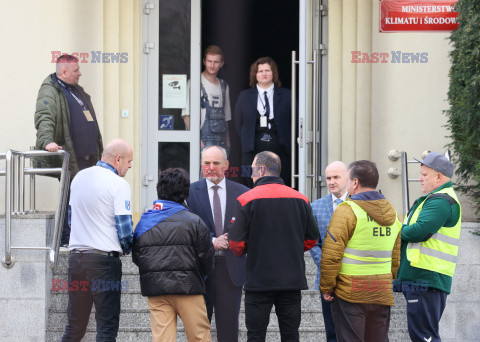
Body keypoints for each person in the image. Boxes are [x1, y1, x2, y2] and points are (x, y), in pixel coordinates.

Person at [228, 151, 319, 341]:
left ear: (261, 170)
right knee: (290, 334)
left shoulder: (246, 199)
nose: (251, 175)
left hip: (258, 281)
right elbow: (312, 238)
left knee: (256, 335)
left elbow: (236, 244)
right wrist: (291, 248)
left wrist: (251, 249)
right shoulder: (301, 199)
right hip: (291, 280)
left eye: (252, 170)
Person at [319, 160, 401, 342]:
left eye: (348, 180)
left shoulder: (346, 211)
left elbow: (331, 256)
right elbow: (396, 258)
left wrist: (327, 287)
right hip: (381, 292)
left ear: (355, 183)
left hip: (351, 293)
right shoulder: (392, 213)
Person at [62, 138, 134, 341]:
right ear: (118, 159)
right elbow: (125, 229)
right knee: (106, 327)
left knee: (75, 326)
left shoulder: (78, 178)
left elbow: (70, 219)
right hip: (104, 263)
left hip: (76, 260)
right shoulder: (119, 184)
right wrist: (128, 248)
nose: (130, 166)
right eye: (129, 161)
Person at [132, 168, 214, 342]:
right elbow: (206, 259)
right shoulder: (195, 221)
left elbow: (137, 257)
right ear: (186, 192)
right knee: (199, 337)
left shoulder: (144, 222)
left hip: (156, 290)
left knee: (162, 339)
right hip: (189, 288)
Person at [34, 54, 103, 246]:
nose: (80, 73)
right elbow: (44, 116)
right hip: (72, 157)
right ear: (63, 71)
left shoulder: (75, 90)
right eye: (76, 70)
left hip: (89, 157)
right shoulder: (50, 91)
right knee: (70, 196)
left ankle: (84, 238)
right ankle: (65, 240)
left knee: (84, 198)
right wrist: (46, 141)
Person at [394, 152, 461, 342]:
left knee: (424, 337)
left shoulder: (441, 200)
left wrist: (395, 232)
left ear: (439, 177)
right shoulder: (435, 198)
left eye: (424, 174)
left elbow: (419, 232)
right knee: (422, 335)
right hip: (423, 277)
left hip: (427, 278)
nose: (419, 178)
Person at [186, 145, 249, 342]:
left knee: (229, 331)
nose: (211, 167)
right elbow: (185, 229)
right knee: (198, 331)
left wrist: (233, 239)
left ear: (226, 165)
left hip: (231, 271)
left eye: (215, 163)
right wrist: (212, 241)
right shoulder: (188, 193)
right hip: (200, 270)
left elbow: (249, 227)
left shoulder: (243, 193)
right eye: (206, 163)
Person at [234, 57, 292, 187]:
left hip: (281, 148)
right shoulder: (244, 96)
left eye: (267, 70)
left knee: (280, 185)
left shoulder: (287, 95)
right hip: (252, 149)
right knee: (252, 185)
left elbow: (293, 121)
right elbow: (238, 124)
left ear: (274, 73)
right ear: (255, 74)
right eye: (260, 71)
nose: (264, 74)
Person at [309, 161, 349, 342]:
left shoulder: (359, 204)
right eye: (328, 178)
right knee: (332, 332)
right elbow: (312, 242)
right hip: (327, 280)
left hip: (354, 277)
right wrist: (328, 265)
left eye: (336, 177)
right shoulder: (315, 207)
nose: (332, 182)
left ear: (348, 178)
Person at [182, 45, 231, 151]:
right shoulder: (194, 82)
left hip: (222, 141)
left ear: (221, 63)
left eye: (216, 62)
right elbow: (186, 115)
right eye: (209, 61)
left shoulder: (224, 86)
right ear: (204, 61)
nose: (212, 65)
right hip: (202, 140)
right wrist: (196, 138)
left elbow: (226, 118)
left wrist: (228, 142)